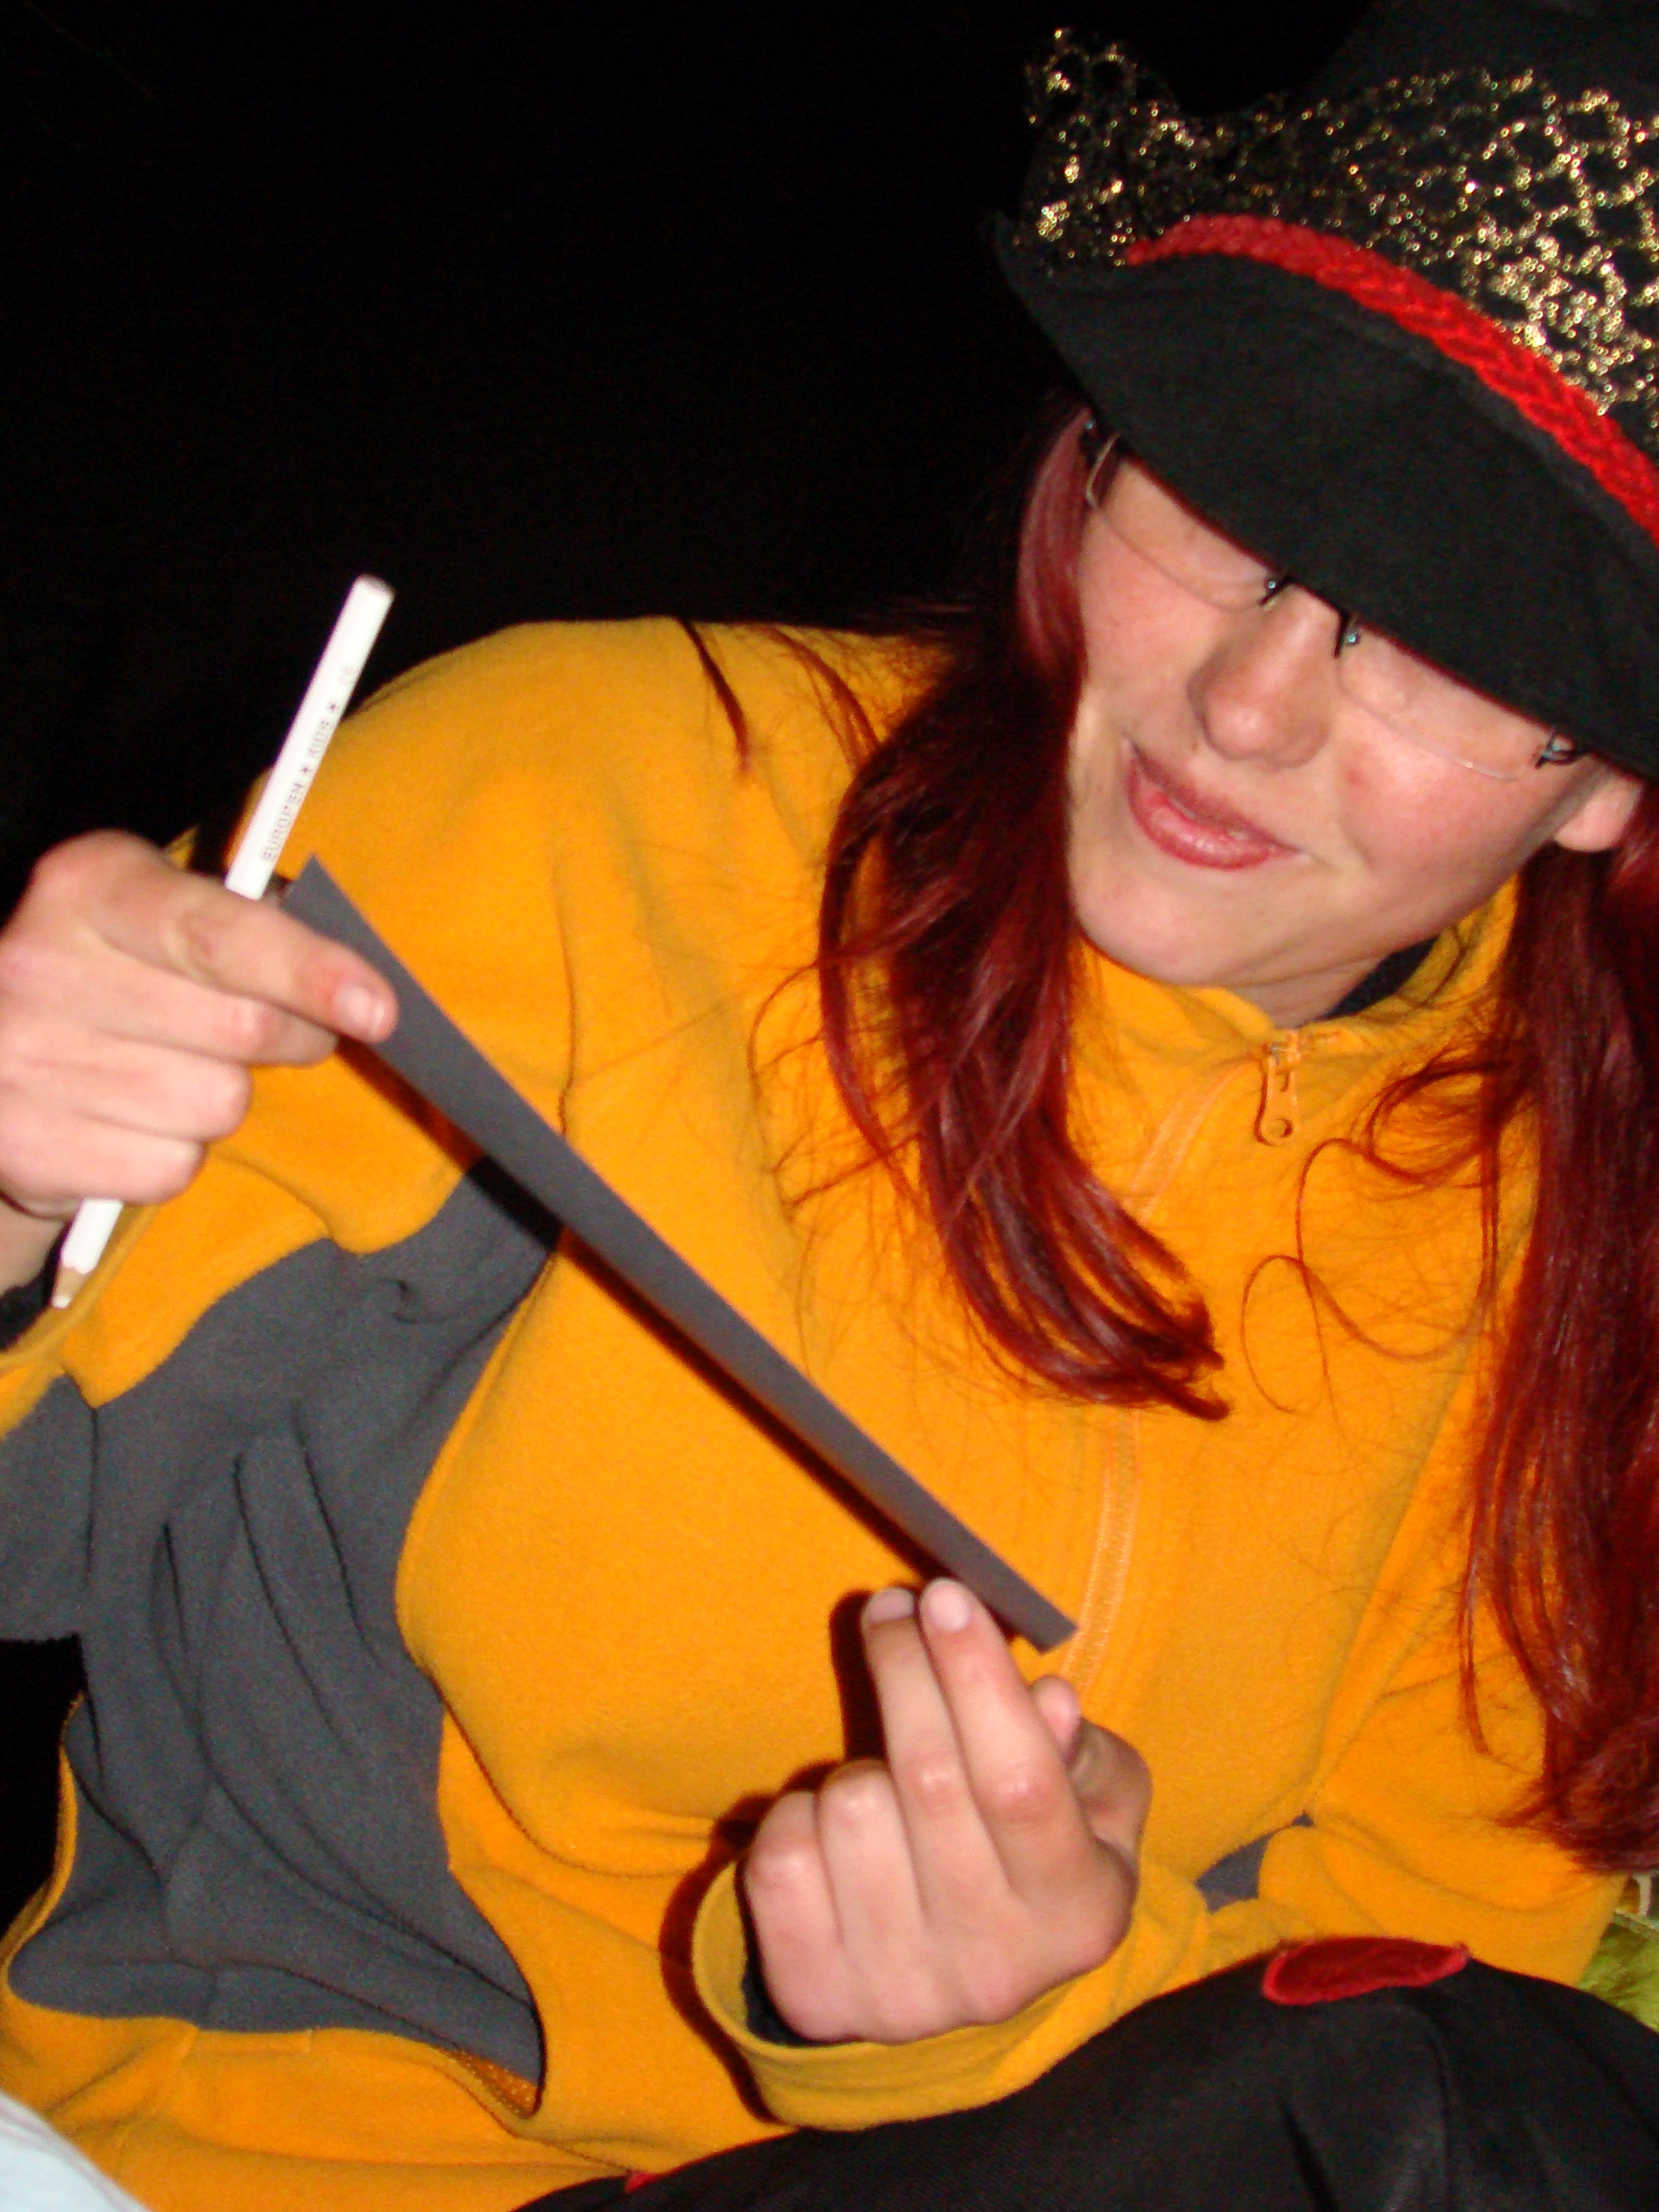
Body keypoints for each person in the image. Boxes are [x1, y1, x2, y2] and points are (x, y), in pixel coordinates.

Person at [5, 0, 1659, 2205]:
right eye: (1229, 506)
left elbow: (1428, 2017)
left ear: (1609, 776)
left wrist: (1018, 2007)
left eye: (1442, 631)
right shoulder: (578, 817)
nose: (1251, 705)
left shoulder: (1582, 1261)